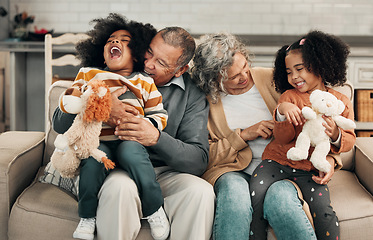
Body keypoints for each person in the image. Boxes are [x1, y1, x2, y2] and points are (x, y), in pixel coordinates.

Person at [54, 25, 215, 240]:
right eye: (149, 52)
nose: (148, 64)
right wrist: (99, 108)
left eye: (161, 63)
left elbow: (198, 160)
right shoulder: (112, 71)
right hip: (117, 167)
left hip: (164, 172)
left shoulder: (192, 95)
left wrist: (156, 138)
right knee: (120, 189)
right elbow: (59, 122)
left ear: (179, 70)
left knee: (200, 192)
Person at [191, 32, 320, 240]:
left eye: (244, 67)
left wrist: (330, 160)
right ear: (213, 78)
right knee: (235, 193)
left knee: (282, 199)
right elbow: (202, 157)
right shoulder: (203, 100)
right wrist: (242, 135)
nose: (244, 77)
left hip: (279, 167)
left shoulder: (273, 79)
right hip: (231, 170)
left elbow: (318, 118)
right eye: (233, 76)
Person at [53, 13, 170, 240]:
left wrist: (143, 125)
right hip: (98, 142)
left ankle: (154, 208)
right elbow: (71, 102)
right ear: (103, 54)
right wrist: (87, 102)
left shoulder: (143, 82)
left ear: (136, 55)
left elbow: (158, 115)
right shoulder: (88, 74)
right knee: (91, 162)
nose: (115, 42)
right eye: (110, 40)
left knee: (133, 152)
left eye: (124, 41)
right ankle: (87, 217)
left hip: (130, 141)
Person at [249, 30, 356, 240]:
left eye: (300, 69)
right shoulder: (289, 97)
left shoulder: (339, 101)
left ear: (320, 66)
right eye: (289, 72)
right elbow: (281, 139)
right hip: (277, 162)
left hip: (311, 169)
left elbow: (350, 140)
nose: (294, 77)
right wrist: (282, 113)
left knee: (323, 210)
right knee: (255, 193)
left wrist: (336, 134)